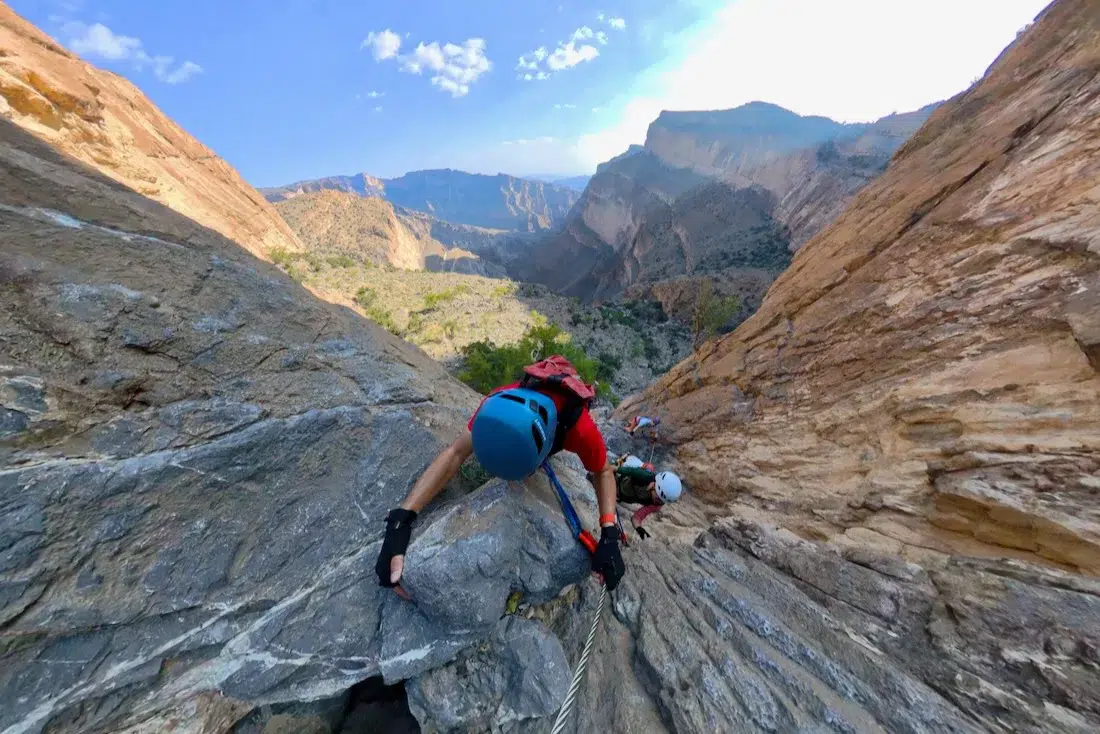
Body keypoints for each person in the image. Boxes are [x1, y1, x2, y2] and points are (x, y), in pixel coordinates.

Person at [375, 356, 626, 600]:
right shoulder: (497, 404)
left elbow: (603, 471)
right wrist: (401, 520)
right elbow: (456, 452)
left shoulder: (579, 426)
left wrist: (609, 533)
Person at [608, 455, 682, 539]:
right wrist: (611, 468)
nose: (658, 502)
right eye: (658, 499)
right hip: (621, 480)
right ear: (654, 484)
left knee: (647, 468)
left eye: (661, 501)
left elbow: (637, 517)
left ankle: (646, 466)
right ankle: (634, 462)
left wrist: (639, 528)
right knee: (634, 466)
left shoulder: (656, 505)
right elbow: (619, 469)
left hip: (621, 494)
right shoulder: (644, 476)